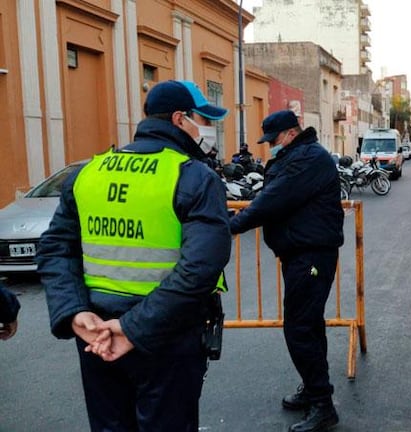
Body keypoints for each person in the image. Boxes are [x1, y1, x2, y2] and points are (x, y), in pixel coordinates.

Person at [36, 79, 232, 432]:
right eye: (203, 119)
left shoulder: (88, 173)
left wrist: (76, 313)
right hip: (166, 337)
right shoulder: (193, 177)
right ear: (178, 120)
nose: (208, 129)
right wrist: (130, 329)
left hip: (98, 336)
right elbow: (200, 269)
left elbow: (55, 248)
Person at [229, 110, 344, 432]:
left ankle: (323, 405)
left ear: (292, 133)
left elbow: (273, 200)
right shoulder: (299, 155)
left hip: (310, 257)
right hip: (300, 255)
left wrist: (231, 226)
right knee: (308, 325)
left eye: (274, 139)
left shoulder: (307, 158)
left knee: (300, 328)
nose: (271, 146)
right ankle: (313, 389)